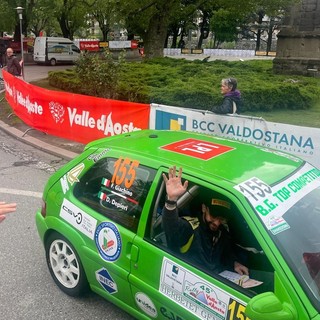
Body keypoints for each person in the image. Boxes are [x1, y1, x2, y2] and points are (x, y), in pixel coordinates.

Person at [162, 166, 249, 276]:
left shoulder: (222, 231)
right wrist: (171, 200)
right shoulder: (190, 227)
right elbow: (171, 227)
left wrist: (234, 263)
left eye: (221, 219)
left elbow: (226, 253)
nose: (216, 223)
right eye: (213, 216)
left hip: (218, 278)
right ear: (204, 208)